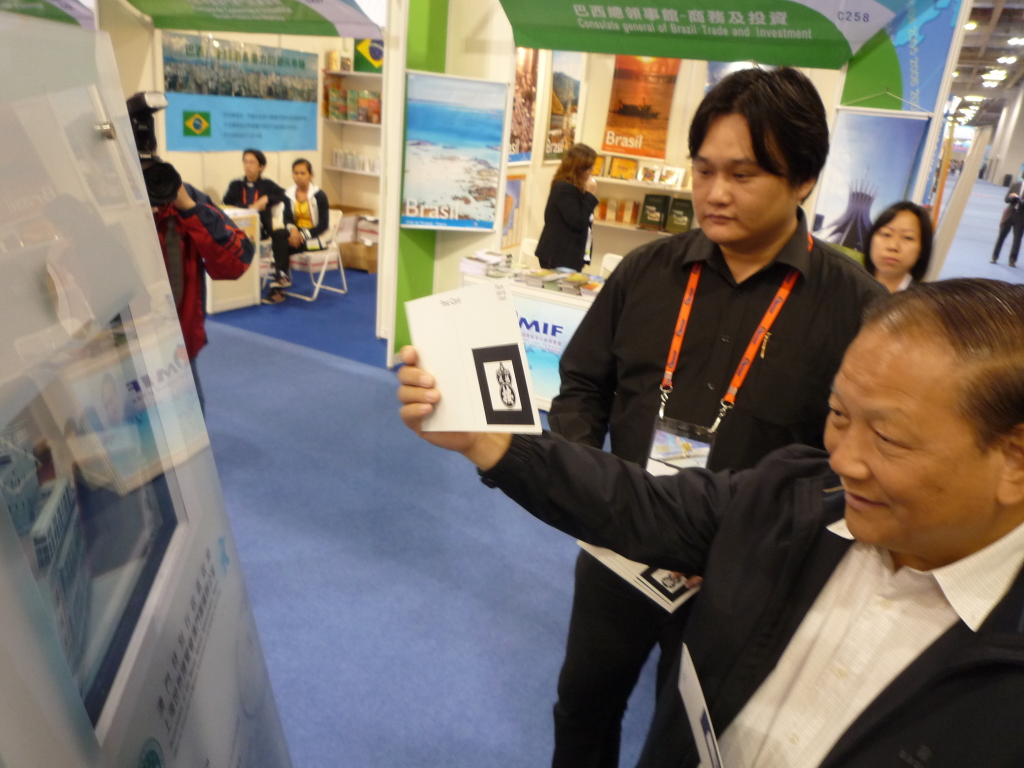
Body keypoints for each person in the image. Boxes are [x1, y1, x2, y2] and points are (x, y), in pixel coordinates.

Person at [397, 277, 1024, 767]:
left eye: (888, 438)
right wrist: (491, 442)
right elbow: (638, 502)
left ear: (1014, 461)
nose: (844, 458)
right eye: (837, 414)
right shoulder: (795, 496)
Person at [541, 66, 886, 768]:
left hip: (741, 578)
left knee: (695, 737)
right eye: (704, 170)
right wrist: (592, 488)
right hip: (620, 546)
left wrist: (764, 544)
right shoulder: (645, 271)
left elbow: (852, 463)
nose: (715, 192)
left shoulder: (858, 308)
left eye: (743, 174)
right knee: (583, 706)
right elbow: (580, 385)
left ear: (803, 179)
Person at [127, 92, 254, 410]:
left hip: (178, 345)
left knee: (186, 423)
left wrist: (188, 207)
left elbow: (237, 261)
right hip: (121, 348)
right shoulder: (103, 206)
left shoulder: (183, 199)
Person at [264, 158, 330, 305]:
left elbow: (323, 225)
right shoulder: (289, 194)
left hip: (315, 238)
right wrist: (294, 231)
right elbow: (287, 218)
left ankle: (279, 286)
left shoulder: (320, 196)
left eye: (302, 173)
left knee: (280, 246)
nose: (298, 176)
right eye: (296, 173)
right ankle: (281, 279)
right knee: (278, 234)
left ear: (310, 175)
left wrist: (301, 235)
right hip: (295, 235)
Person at [535, 143, 599, 272]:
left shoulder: (575, 188)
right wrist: (590, 194)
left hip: (571, 255)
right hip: (558, 256)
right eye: (589, 167)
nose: (592, 170)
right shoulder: (564, 188)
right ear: (578, 168)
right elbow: (578, 221)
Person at [864, 201, 933, 292]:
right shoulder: (849, 285)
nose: (893, 246)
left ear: (922, 249)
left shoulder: (924, 299)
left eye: (907, 237)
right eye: (886, 234)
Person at [222, 148, 286, 240]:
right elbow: (225, 204)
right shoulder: (236, 184)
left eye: (252, 162)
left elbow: (285, 195)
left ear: (261, 167)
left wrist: (267, 198)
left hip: (262, 230)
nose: (247, 165)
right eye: (245, 162)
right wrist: (250, 208)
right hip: (238, 229)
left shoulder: (267, 184)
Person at [992, 177, 1024, 266]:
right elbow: (1006, 199)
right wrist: (1011, 198)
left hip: (1021, 217)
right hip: (1009, 215)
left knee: (1017, 240)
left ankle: (1012, 260)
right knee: (1001, 237)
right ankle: (994, 257)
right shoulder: (1015, 185)